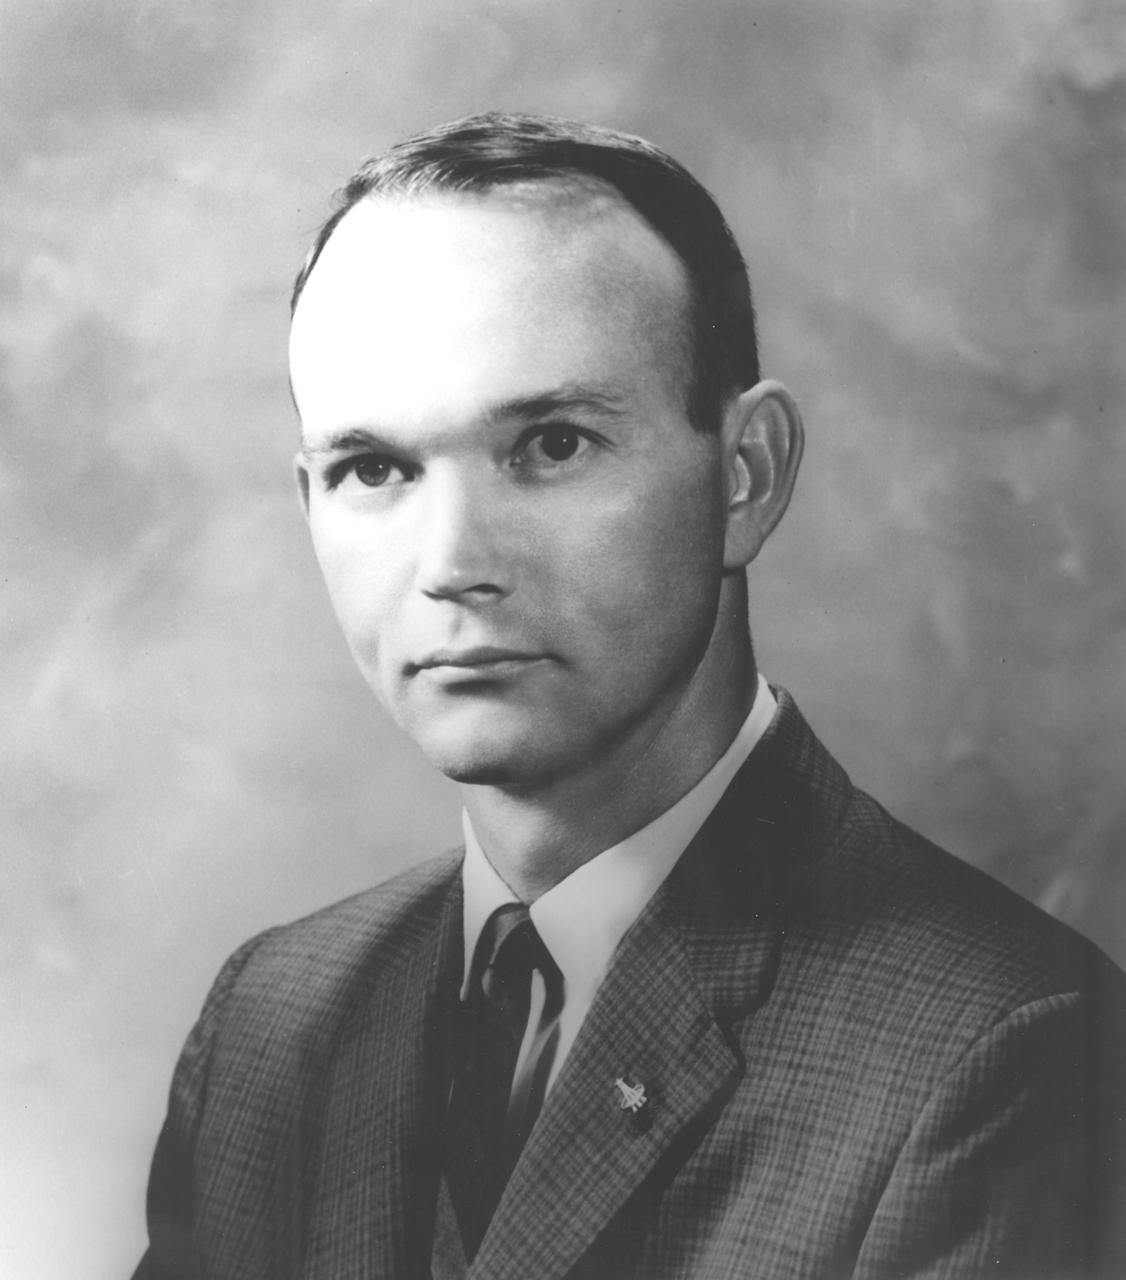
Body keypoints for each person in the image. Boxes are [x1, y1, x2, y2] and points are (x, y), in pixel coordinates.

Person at [134, 112, 1126, 1280]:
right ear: (308, 501)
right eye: (375, 469)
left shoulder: (1006, 1050)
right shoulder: (271, 1019)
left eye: (551, 444)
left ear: (744, 474)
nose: (451, 559)